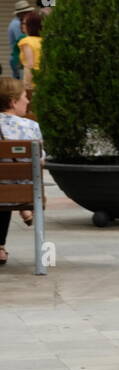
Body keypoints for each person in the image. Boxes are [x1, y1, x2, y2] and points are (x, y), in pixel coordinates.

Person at [0, 77, 37, 266]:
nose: (28, 101)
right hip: (24, 193)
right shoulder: (30, 126)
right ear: (13, 102)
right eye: (24, 97)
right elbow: (40, 161)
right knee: (7, 190)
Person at [17, 12, 42, 108]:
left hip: (32, 81)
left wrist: (26, 85)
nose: (22, 26)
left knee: (30, 110)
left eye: (24, 23)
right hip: (44, 79)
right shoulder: (43, 40)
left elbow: (29, 64)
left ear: (31, 25)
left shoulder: (26, 41)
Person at [8, 0, 32, 80]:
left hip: (19, 57)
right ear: (21, 14)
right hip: (18, 58)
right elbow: (22, 40)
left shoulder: (17, 22)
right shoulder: (17, 24)